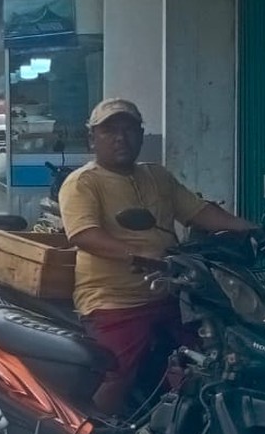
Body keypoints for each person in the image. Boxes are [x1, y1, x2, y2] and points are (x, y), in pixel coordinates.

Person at [59, 98, 254, 415]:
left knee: (211, 357)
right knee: (115, 371)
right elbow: (84, 235)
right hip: (115, 299)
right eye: (110, 131)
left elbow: (199, 212)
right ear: (92, 139)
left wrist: (253, 230)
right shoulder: (83, 182)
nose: (121, 137)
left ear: (140, 134)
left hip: (171, 291)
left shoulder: (157, 176)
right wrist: (138, 254)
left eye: (128, 129)